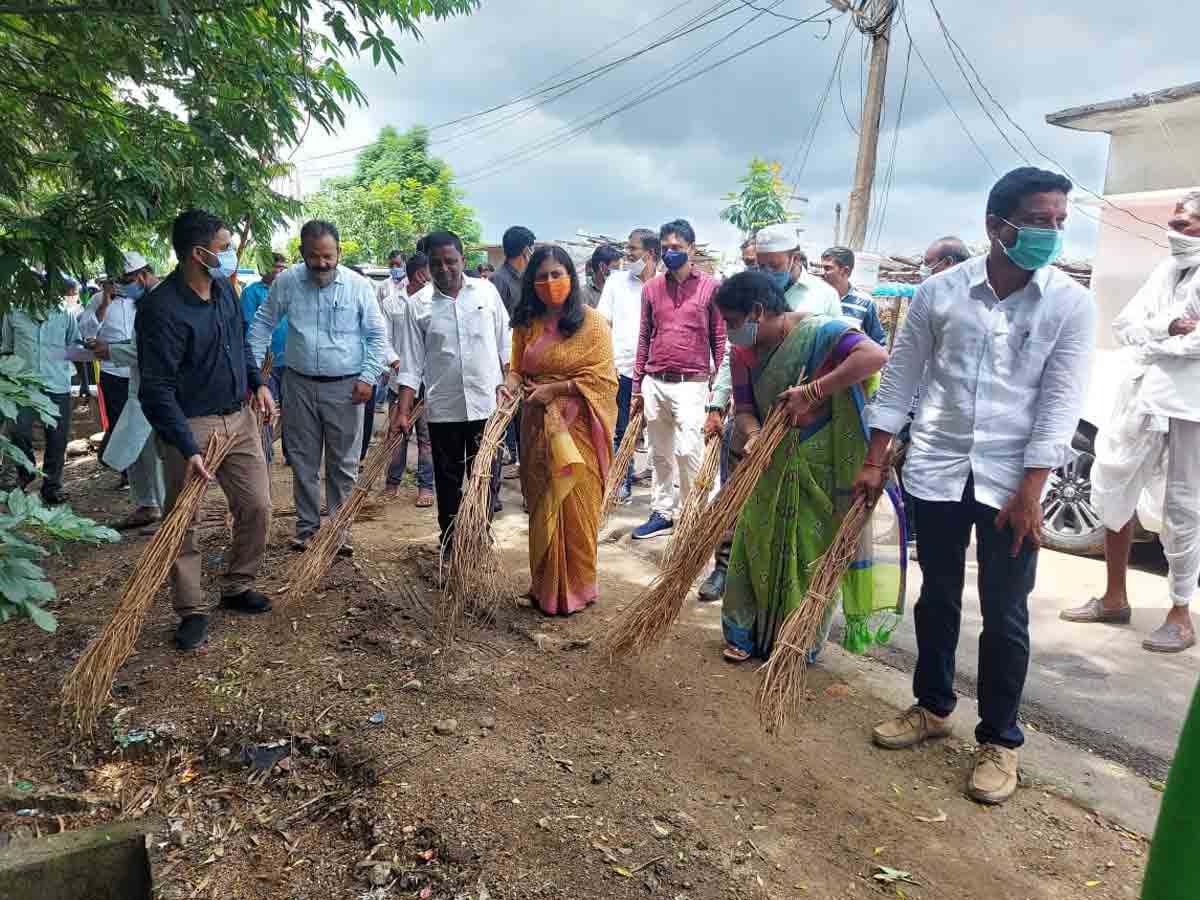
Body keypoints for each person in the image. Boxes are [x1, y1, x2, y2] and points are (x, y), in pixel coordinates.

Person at [857, 167, 1095, 805]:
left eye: (1058, 221)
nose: (1051, 232)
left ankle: (999, 740)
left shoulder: (1070, 304)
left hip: (1012, 482)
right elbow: (903, 377)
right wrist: (876, 457)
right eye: (1038, 220)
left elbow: (1059, 404)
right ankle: (932, 707)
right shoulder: (940, 293)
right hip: (937, 467)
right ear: (997, 226)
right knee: (936, 597)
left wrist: (1031, 490)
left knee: (1006, 613)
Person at [712, 271, 895, 662]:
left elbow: (875, 356)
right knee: (753, 542)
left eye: (732, 321)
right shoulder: (742, 353)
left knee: (809, 551)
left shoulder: (822, 332)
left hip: (820, 462)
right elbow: (744, 409)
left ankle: (794, 643)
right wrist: (754, 434)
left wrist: (812, 391)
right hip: (768, 459)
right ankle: (743, 636)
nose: (729, 331)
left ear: (758, 312)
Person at [1061, 192, 1200, 652]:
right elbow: (1126, 327)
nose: (1175, 232)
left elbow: (1194, 346)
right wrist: (1167, 330)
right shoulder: (1166, 272)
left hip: (1189, 406)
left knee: (1183, 507)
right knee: (1114, 482)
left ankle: (1180, 614)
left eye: (1187, 225)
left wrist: (1156, 337)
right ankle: (1114, 596)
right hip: (1142, 396)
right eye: (1175, 223)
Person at [138, 208, 276, 650]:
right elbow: (155, 390)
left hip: (240, 419)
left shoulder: (223, 291)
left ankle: (237, 585)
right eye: (225, 247)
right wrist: (184, 443)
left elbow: (239, 345)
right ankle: (191, 609)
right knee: (184, 521)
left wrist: (258, 385)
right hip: (190, 426)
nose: (232, 254)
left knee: (258, 506)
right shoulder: (160, 310)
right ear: (199, 253)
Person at [698, 223, 842, 601]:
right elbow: (739, 383)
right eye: (758, 264)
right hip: (754, 432)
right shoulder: (742, 315)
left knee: (792, 532)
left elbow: (856, 357)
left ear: (794, 258)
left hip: (804, 441)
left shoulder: (821, 302)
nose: (764, 271)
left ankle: (787, 607)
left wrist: (812, 393)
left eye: (771, 263)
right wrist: (739, 422)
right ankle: (725, 571)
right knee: (739, 509)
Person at [249, 220, 388, 554]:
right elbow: (262, 323)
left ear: (339, 251)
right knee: (303, 460)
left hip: (347, 388)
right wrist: (256, 376)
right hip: (298, 386)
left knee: (343, 463)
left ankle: (339, 532)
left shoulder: (358, 286)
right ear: (302, 254)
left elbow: (377, 335)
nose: (323, 264)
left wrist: (368, 376)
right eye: (315, 257)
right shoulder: (287, 282)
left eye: (329, 256)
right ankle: (308, 528)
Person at [501, 246, 617, 615]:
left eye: (556, 274)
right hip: (536, 425)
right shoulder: (526, 323)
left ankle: (580, 588)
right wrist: (509, 382)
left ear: (571, 275)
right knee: (542, 504)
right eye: (541, 277)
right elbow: (517, 367)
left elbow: (603, 380)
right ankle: (544, 587)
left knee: (578, 505)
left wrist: (557, 389)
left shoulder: (593, 323)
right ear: (531, 283)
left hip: (579, 427)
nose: (549, 283)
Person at [393, 231, 509, 546]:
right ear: (427, 266)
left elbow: (505, 347)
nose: (444, 269)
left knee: (485, 479)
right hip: (444, 410)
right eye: (436, 263)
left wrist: (509, 386)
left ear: (463, 260)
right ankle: (450, 543)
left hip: (487, 407)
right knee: (447, 482)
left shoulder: (486, 293)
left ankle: (479, 540)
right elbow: (412, 364)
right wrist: (403, 411)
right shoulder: (418, 305)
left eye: (451, 261)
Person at [630, 218, 726, 540]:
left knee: (688, 451)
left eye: (678, 248)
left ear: (692, 249)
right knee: (659, 453)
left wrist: (720, 396)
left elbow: (720, 339)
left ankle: (692, 514)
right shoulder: (651, 289)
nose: (672, 253)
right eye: (667, 248)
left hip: (693, 383)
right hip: (655, 380)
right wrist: (636, 385)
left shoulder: (711, 288)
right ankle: (662, 512)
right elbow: (644, 336)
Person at [91, 253, 166, 530]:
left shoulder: (160, 303)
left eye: (126, 282)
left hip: (158, 388)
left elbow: (149, 349)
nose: (123, 289)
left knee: (157, 453)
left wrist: (109, 350)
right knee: (137, 449)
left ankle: (167, 511)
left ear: (143, 276)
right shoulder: (145, 302)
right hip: (140, 387)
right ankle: (147, 505)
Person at [0, 282, 82, 505]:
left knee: (57, 438)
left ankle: (52, 487)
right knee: (19, 432)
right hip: (23, 386)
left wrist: (58, 356)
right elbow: (7, 347)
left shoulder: (65, 313)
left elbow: (74, 345)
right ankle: (25, 474)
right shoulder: (14, 312)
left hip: (57, 384)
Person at [597, 228, 660, 504]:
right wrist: (606, 361)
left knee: (658, 432)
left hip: (657, 373)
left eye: (633, 249)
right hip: (621, 369)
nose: (628, 254)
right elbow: (604, 324)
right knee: (621, 428)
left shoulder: (664, 285)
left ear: (651, 254)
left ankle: (663, 495)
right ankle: (621, 480)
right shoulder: (616, 282)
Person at [382, 252, 435, 507]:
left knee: (427, 438)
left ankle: (426, 487)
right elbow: (383, 339)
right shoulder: (392, 303)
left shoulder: (436, 302)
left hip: (429, 384)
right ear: (420, 274)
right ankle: (392, 483)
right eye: (431, 271)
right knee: (396, 435)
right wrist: (395, 361)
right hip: (399, 382)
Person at [80, 271, 138, 469]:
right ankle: (122, 468)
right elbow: (88, 332)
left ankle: (112, 456)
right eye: (113, 281)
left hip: (136, 368)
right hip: (111, 370)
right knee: (117, 420)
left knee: (135, 419)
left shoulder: (136, 299)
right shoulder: (97, 300)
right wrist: (105, 303)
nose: (118, 285)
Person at [490, 226, 536, 468]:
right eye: (533, 248)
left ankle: (527, 478)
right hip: (508, 366)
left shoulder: (527, 281)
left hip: (527, 362)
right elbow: (498, 328)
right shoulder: (499, 281)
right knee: (506, 422)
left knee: (526, 426)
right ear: (526, 249)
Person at [241, 253, 290, 465]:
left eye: (283, 267)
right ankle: (265, 452)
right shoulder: (251, 293)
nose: (280, 271)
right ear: (264, 269)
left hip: (290, 362)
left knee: (292, 410)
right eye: (276, 267)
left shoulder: (290, 291)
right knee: (265, 408)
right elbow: (252, 327)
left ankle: (292, 454)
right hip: (264, 364)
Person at [821, 246, 887, 345]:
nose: (823, 273)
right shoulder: (819, 297)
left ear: (845, 271)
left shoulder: (864, 302)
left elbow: (878, 342)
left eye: (828, 268)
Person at [583, 245, 621, 309]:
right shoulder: (583, 294)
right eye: (615, 268)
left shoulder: (618, 291)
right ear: (602, 267)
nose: (618, 273)